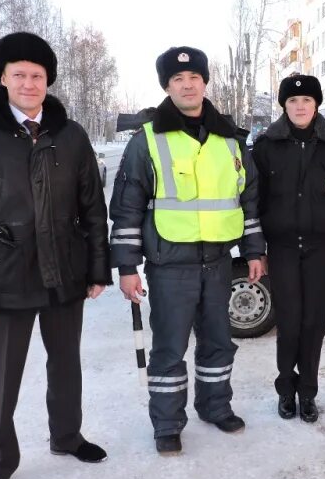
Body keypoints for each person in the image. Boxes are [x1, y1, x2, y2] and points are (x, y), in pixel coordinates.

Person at [0, 32, 112, 479]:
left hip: (64, 275)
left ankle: (68, 436)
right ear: (3, 78)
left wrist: (97, 268)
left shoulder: (71, 135)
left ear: (48, 81)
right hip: (3, 280)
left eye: (38, 75)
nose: (29, 83)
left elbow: (93, 209)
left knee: (66, 365)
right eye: (20, 74)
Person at [109, 46, 265, 455]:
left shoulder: (230, 140)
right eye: (177, 79)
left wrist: (253, 251)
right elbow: (127, 207)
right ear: (167, 86)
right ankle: (167, 423)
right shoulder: (148, 139)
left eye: (194, 77)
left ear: (205, 82)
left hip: (217, 262)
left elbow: (247, 199)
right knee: (169, 348)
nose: (187, 84)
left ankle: (216, 407)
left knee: (218, 342)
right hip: (168, 265)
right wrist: (126, 266)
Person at [252, 75, 325, 423]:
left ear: (316, 106)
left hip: (319, 247)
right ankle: (286, 390)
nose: (300, 107)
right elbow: (254, 200)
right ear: (284, 106)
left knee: (314, 323)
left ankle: (308, 393)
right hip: (281, 247)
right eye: (293, 101)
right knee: (289, 322)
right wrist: (256, 248)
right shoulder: (267, 145)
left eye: (307, 101)